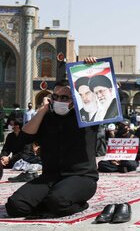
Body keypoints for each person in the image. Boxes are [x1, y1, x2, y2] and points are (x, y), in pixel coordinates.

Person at [5, 74, 99, 218]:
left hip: (81, 177)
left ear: (75, 99)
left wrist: (88, 70)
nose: (59, 101)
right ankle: (47, 202)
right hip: (50, 177)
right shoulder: (47, 117)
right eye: (55, 97)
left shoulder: (87, 117)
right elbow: (24, 138)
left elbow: (102, 93)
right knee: (15, 206)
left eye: (64, 98)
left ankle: (80, 204)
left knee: (57, 202)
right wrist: (43, 110)